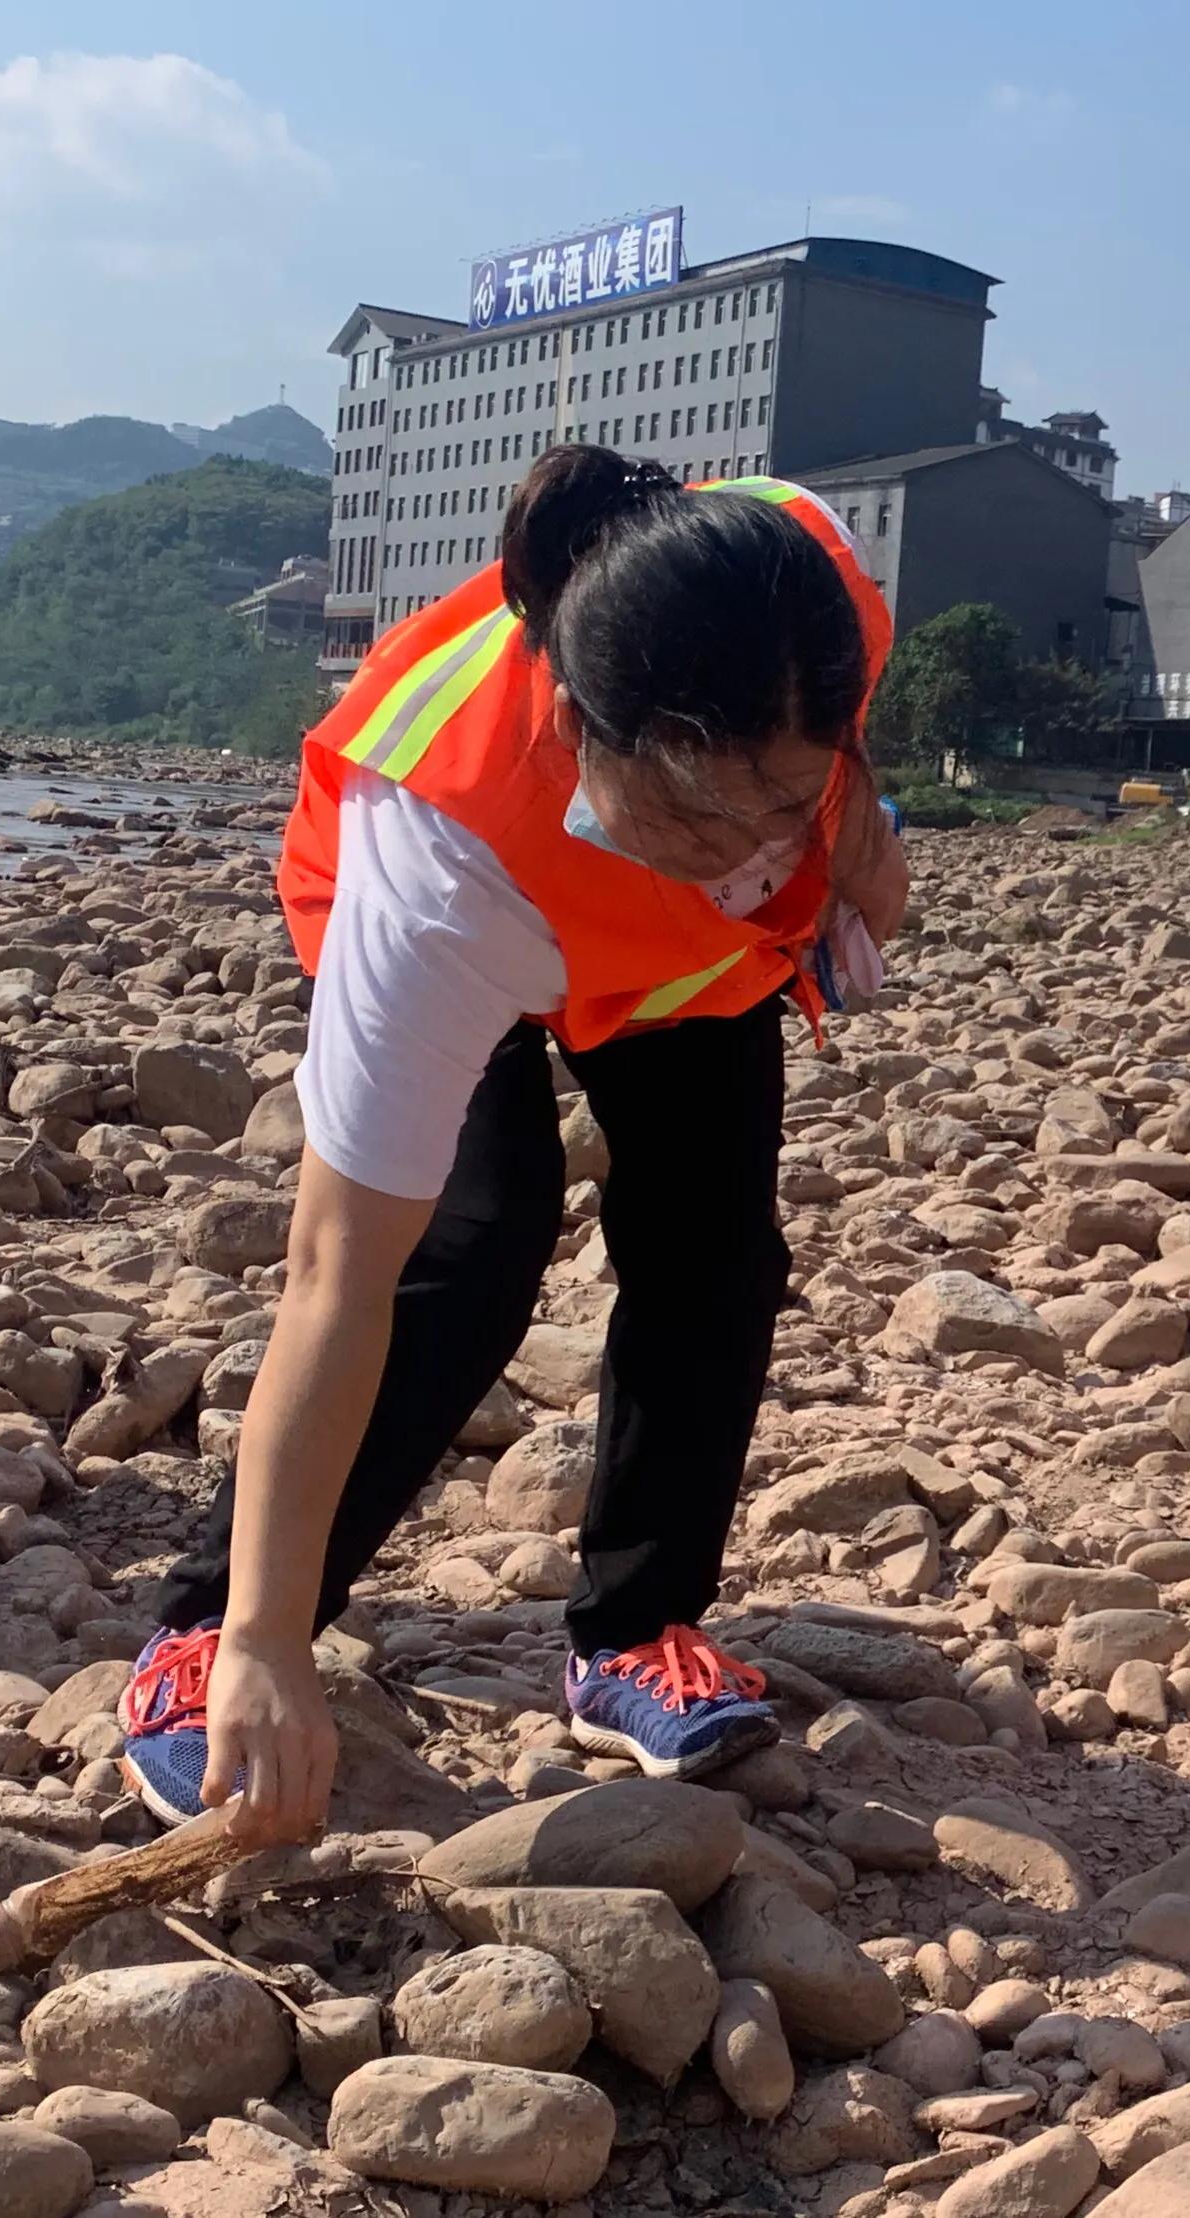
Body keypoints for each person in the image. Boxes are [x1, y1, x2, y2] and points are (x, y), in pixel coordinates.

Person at [123, 450, 903, 1843]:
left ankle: (634, 1632)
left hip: (680, 975)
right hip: (490, 899)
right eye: (702, 819)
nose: (746, 843)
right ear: (586, 728)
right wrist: (258, 1637)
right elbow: (331, 1277)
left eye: (779, 800)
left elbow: (811, 771)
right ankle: (210, 1629)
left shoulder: (803, 581)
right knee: (466, 1247)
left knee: (712, 1250)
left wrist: (847, 825)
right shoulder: (436, 861)